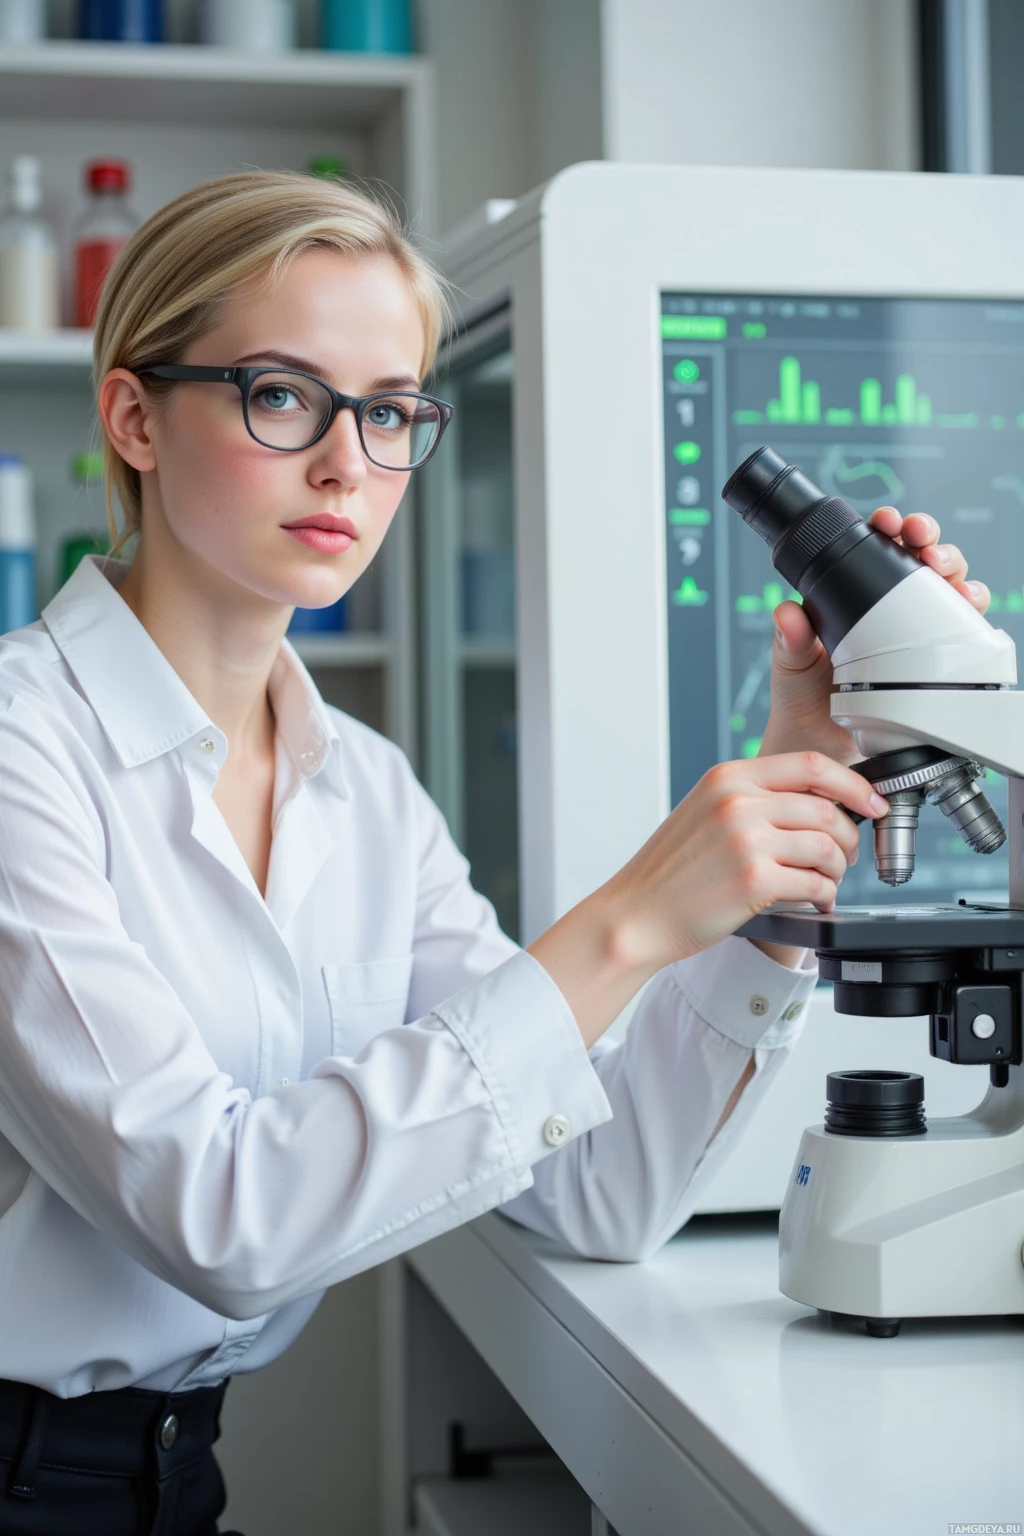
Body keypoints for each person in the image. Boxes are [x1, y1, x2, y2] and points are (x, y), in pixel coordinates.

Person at [0, 171, 988, 1535]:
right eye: (282, 395)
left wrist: (778, 847)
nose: (349, 463)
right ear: (134, 416)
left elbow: (599, 1189)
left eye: (392, 410)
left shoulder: (368, 797)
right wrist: (631, 918)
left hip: (175, 1484)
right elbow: (226, 1220)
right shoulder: (20, 754)